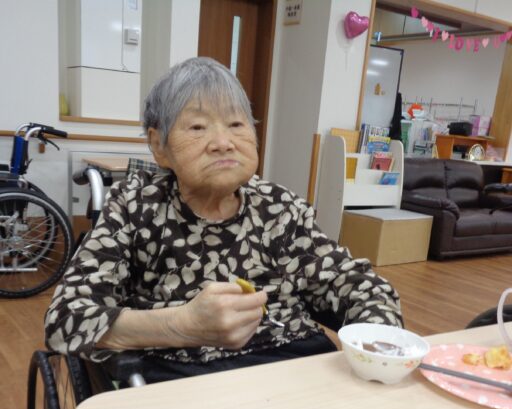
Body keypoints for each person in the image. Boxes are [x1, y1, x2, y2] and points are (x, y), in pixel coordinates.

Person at [45, 57, 403, 382]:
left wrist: (381, 348)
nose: (223, 142)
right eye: (198, 127)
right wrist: (182, 325)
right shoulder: (135, 207)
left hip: (292, 369)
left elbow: (355, 284)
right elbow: (65, 320)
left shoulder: (280, 207)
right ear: (158, 146)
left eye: (235, 123)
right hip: (180, 379)